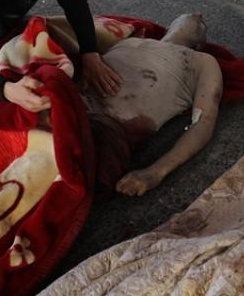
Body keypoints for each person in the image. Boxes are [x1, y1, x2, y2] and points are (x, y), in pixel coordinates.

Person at [47, 13, 223, 196]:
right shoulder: (133, 39)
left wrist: (155, 172)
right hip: (67, 104)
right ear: (168, 28)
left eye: (201, 24)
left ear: (199, 44)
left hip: (106, 129)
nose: (198, 14)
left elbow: (204, 122)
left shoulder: (202, 61)